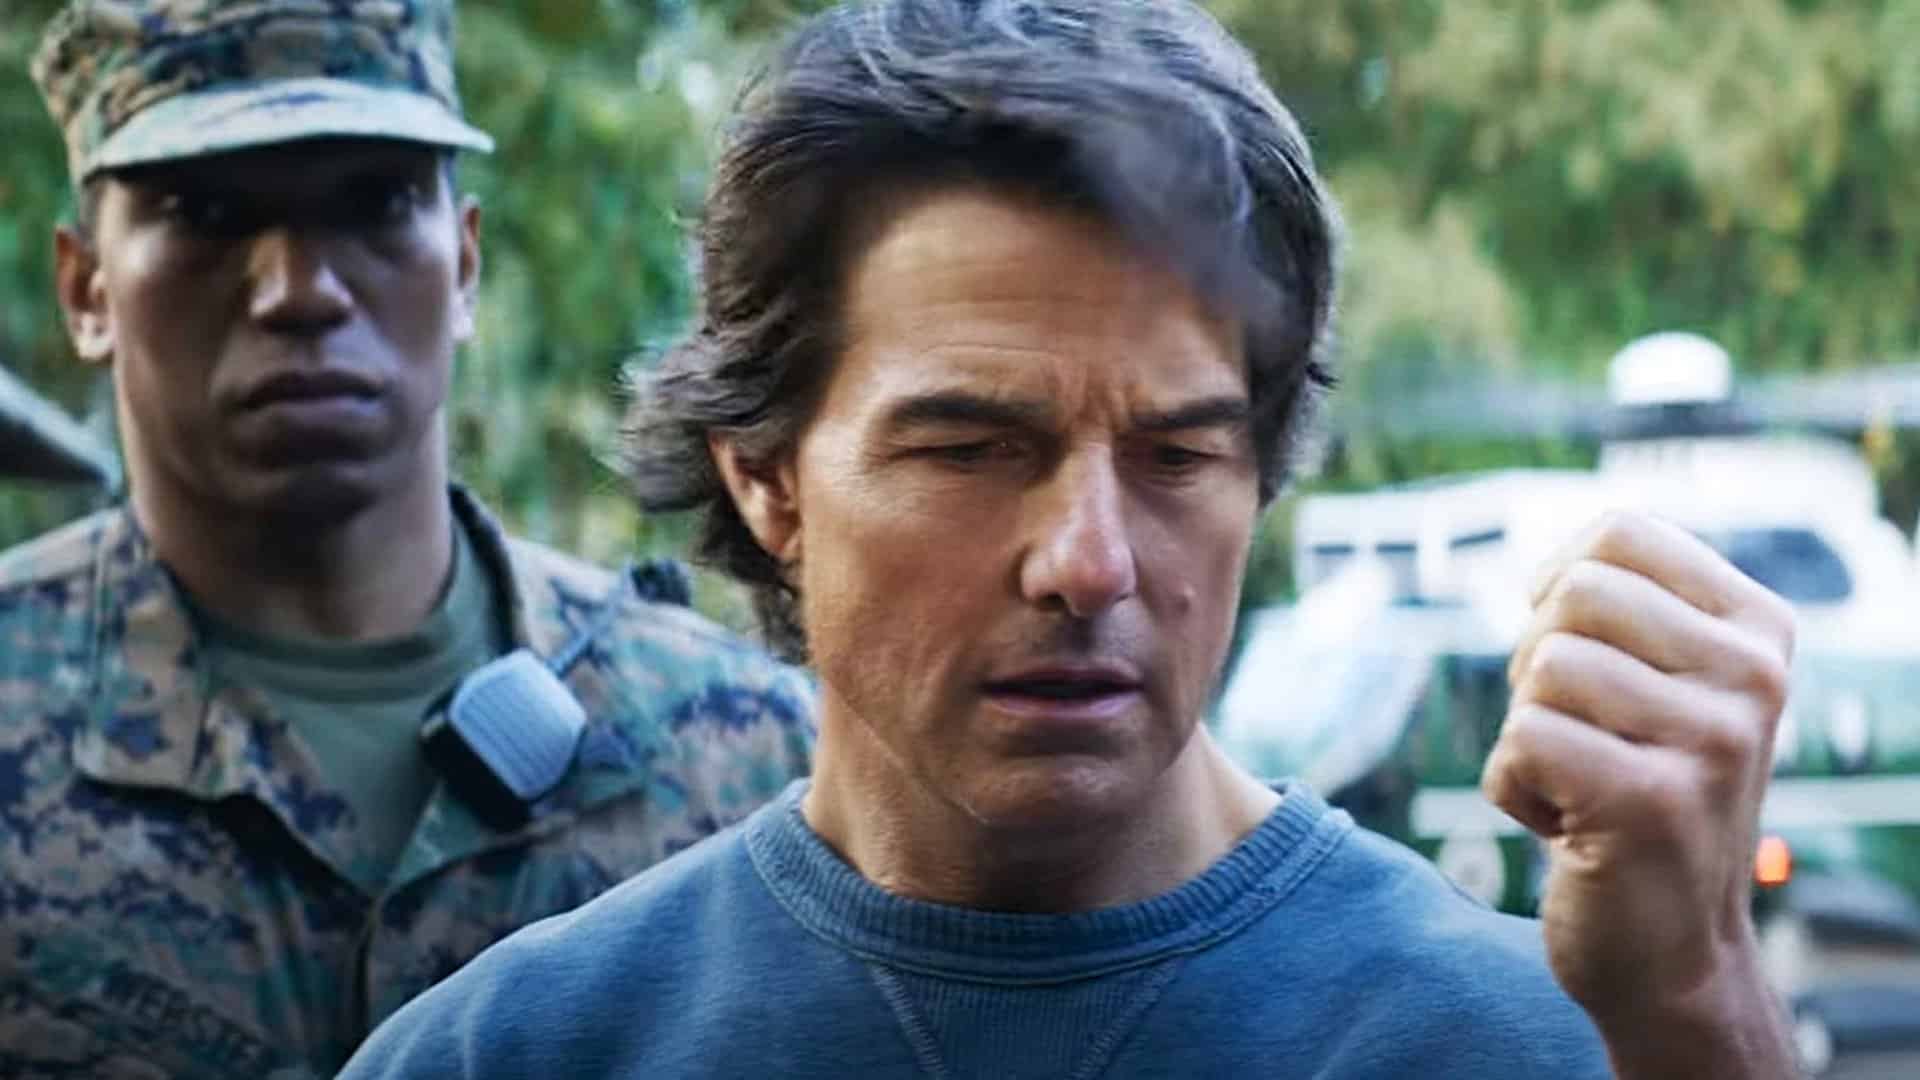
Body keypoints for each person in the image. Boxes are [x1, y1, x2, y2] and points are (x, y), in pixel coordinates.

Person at [343, 0, 1799, 1076]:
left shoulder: (1525, 1045)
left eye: (1178, 455)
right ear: (766, 478)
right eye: (971, 450)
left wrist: (1701, 1009)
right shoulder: (515, 1055)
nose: (1090, 563)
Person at [0, 2, 813, 1077]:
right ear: (86, 289)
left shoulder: (747, 750)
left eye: (376, 202)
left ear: (464, 263)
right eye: (207, 214)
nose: (300, 291)